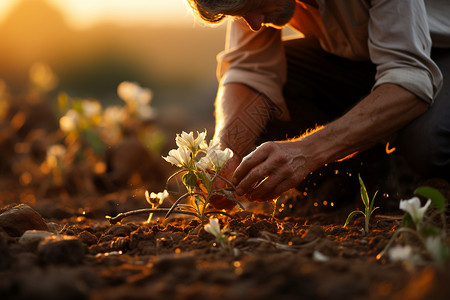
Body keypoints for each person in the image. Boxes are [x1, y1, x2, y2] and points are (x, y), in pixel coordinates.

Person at [186, 0, 450, 206]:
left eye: (255, 6)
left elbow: (410, 80)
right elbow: (249, 70)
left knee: (429, 143)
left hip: (436, 52)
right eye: (242, 14)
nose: (254, 23)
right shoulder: (253, 8)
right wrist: (225, 152)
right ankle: (365, 180)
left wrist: (307, 151)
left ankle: (410, 166)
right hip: (365, 62)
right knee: (260, 111)